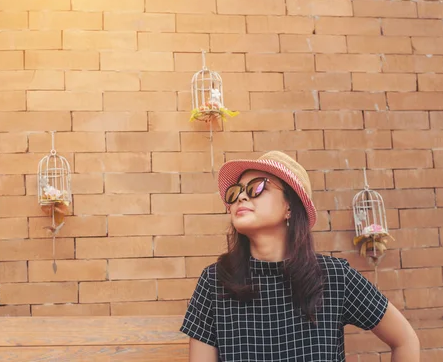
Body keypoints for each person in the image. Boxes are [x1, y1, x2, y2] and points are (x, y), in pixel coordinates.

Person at [180, 151, 420, 361]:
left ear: (290, 207)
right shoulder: (214, 281)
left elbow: (405, 340)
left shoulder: (335, 277)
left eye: (256, 188)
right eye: (235, 193)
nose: (242, 197)